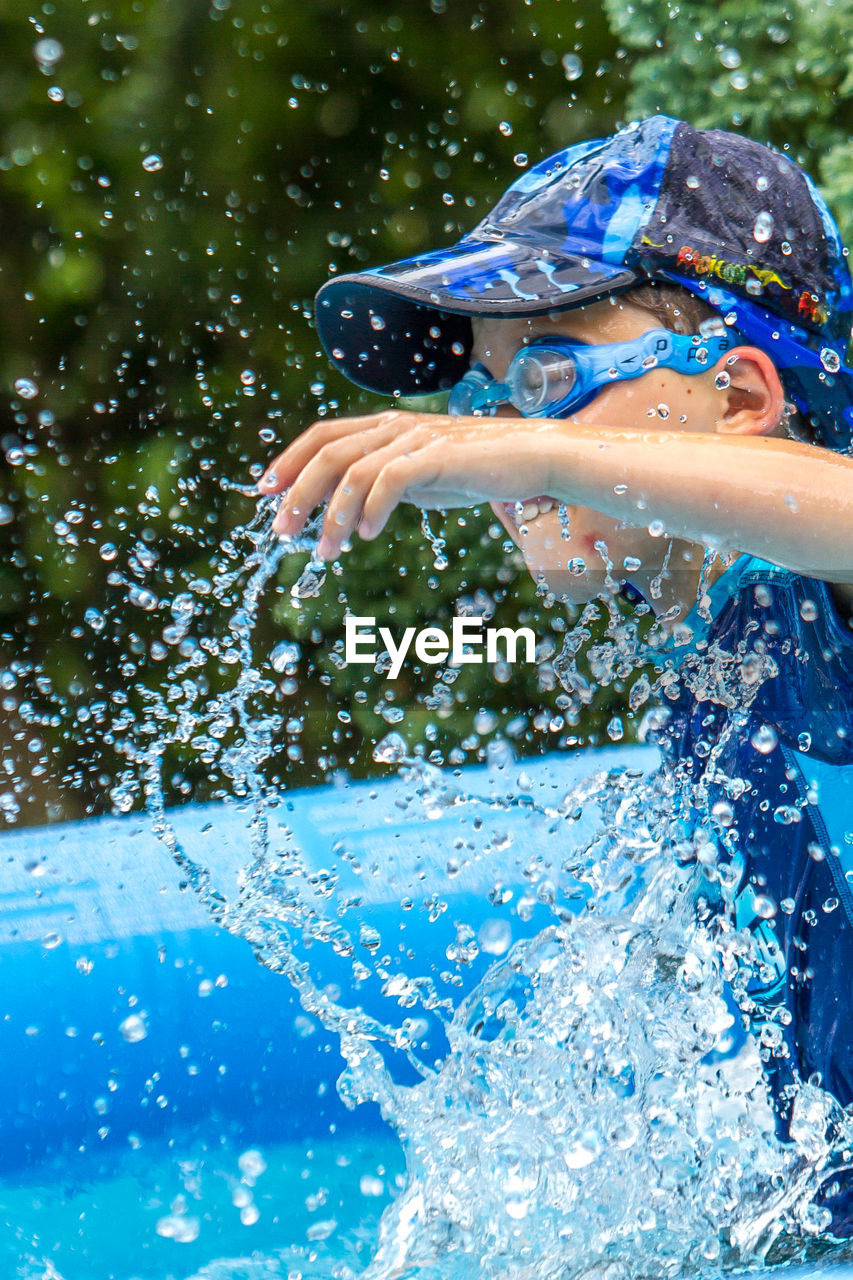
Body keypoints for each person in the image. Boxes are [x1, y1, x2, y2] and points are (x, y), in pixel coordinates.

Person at [258, 115, 853, 1231]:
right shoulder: (695, 644)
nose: (489, 437)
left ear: (739, 396)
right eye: (481, 402)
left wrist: (547, 450)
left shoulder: (818, 598)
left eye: (544, 373)